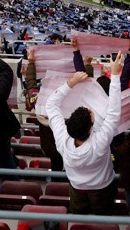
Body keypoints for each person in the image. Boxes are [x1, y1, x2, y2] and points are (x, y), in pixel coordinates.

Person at [46, 51, 125, 214]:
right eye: (91, 114)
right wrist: (115, 75)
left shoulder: (62, 138)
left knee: (79, 217)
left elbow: (51, 105)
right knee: (102, 218)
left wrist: (71, 83)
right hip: (102, 188)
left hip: (76, 188)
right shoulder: (100, 141)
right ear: (91, 128)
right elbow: (114, 113)